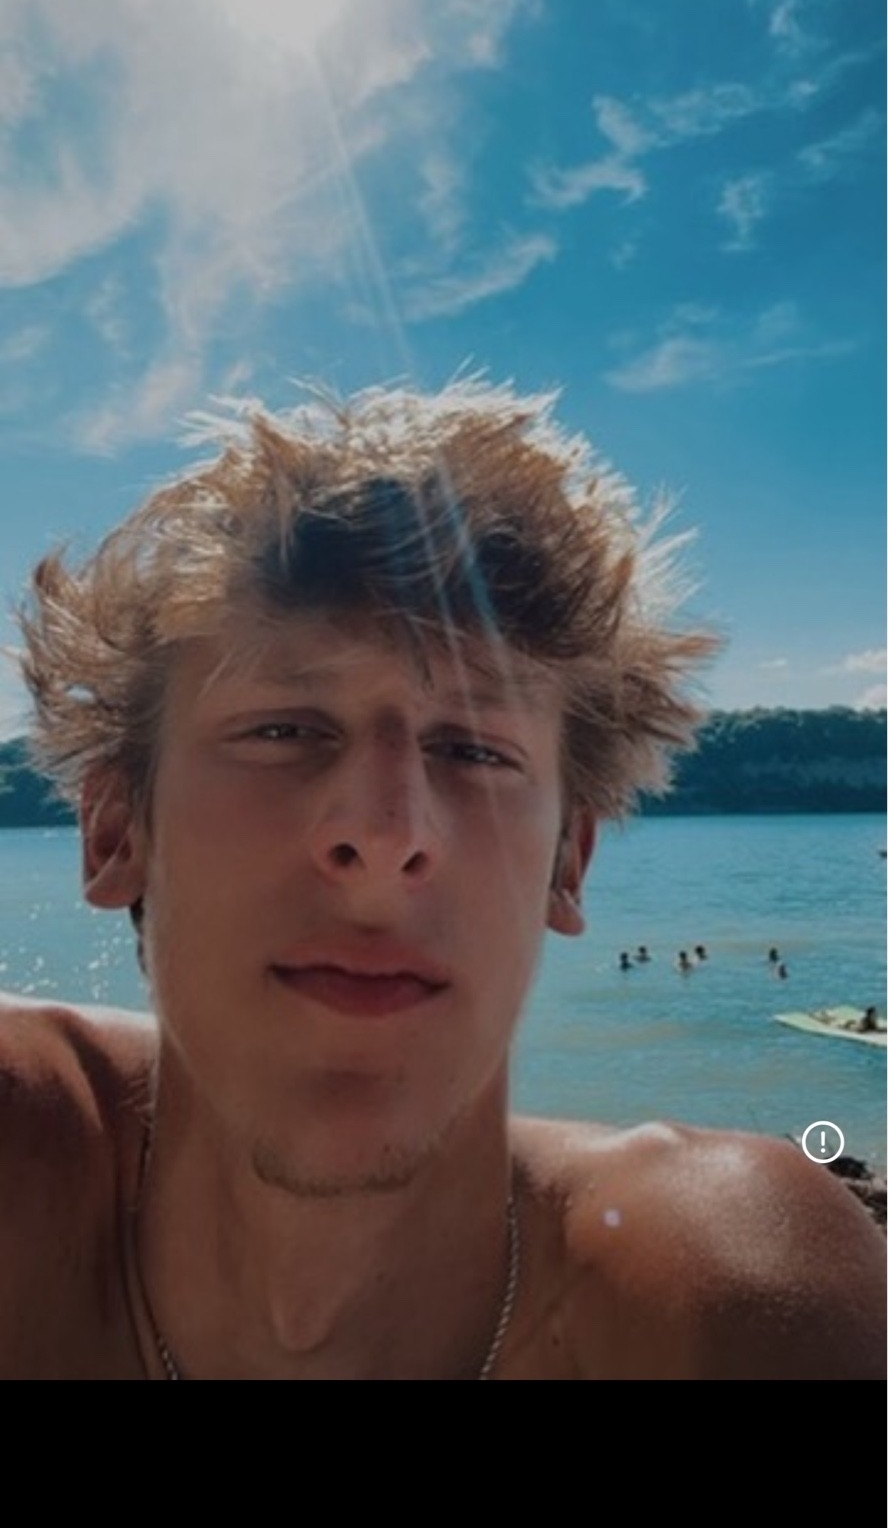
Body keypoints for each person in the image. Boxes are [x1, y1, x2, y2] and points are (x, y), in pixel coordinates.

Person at [2, 380, 884, 1380]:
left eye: (473, 750)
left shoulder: (720, 1303)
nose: (387, 833)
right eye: (284, 730)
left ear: (568, 864)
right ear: (115, 831)